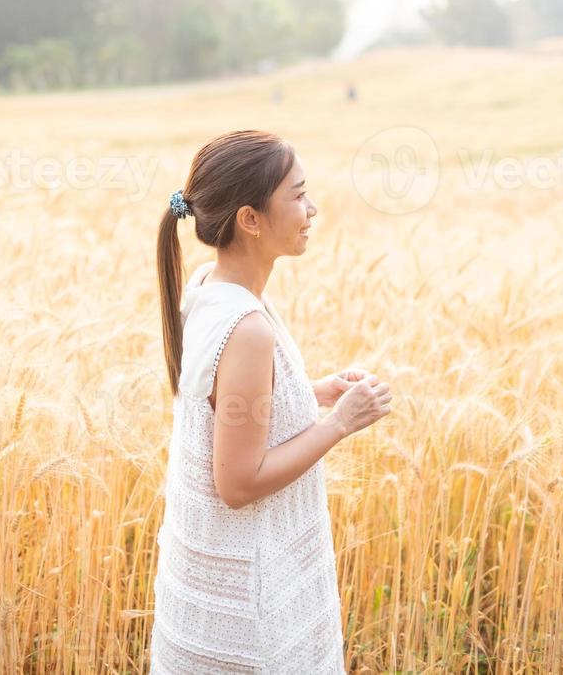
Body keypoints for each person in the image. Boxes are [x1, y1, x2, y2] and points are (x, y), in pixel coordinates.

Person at [150, 129, 392, 673]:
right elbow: (237, 482)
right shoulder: (248, 327)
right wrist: (338, 424)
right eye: (298, 195)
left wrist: (311, 392)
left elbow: (229, 408)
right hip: (249, 614)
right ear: (250, 219)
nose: (312, 209)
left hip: (217, 593)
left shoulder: (210, 286)